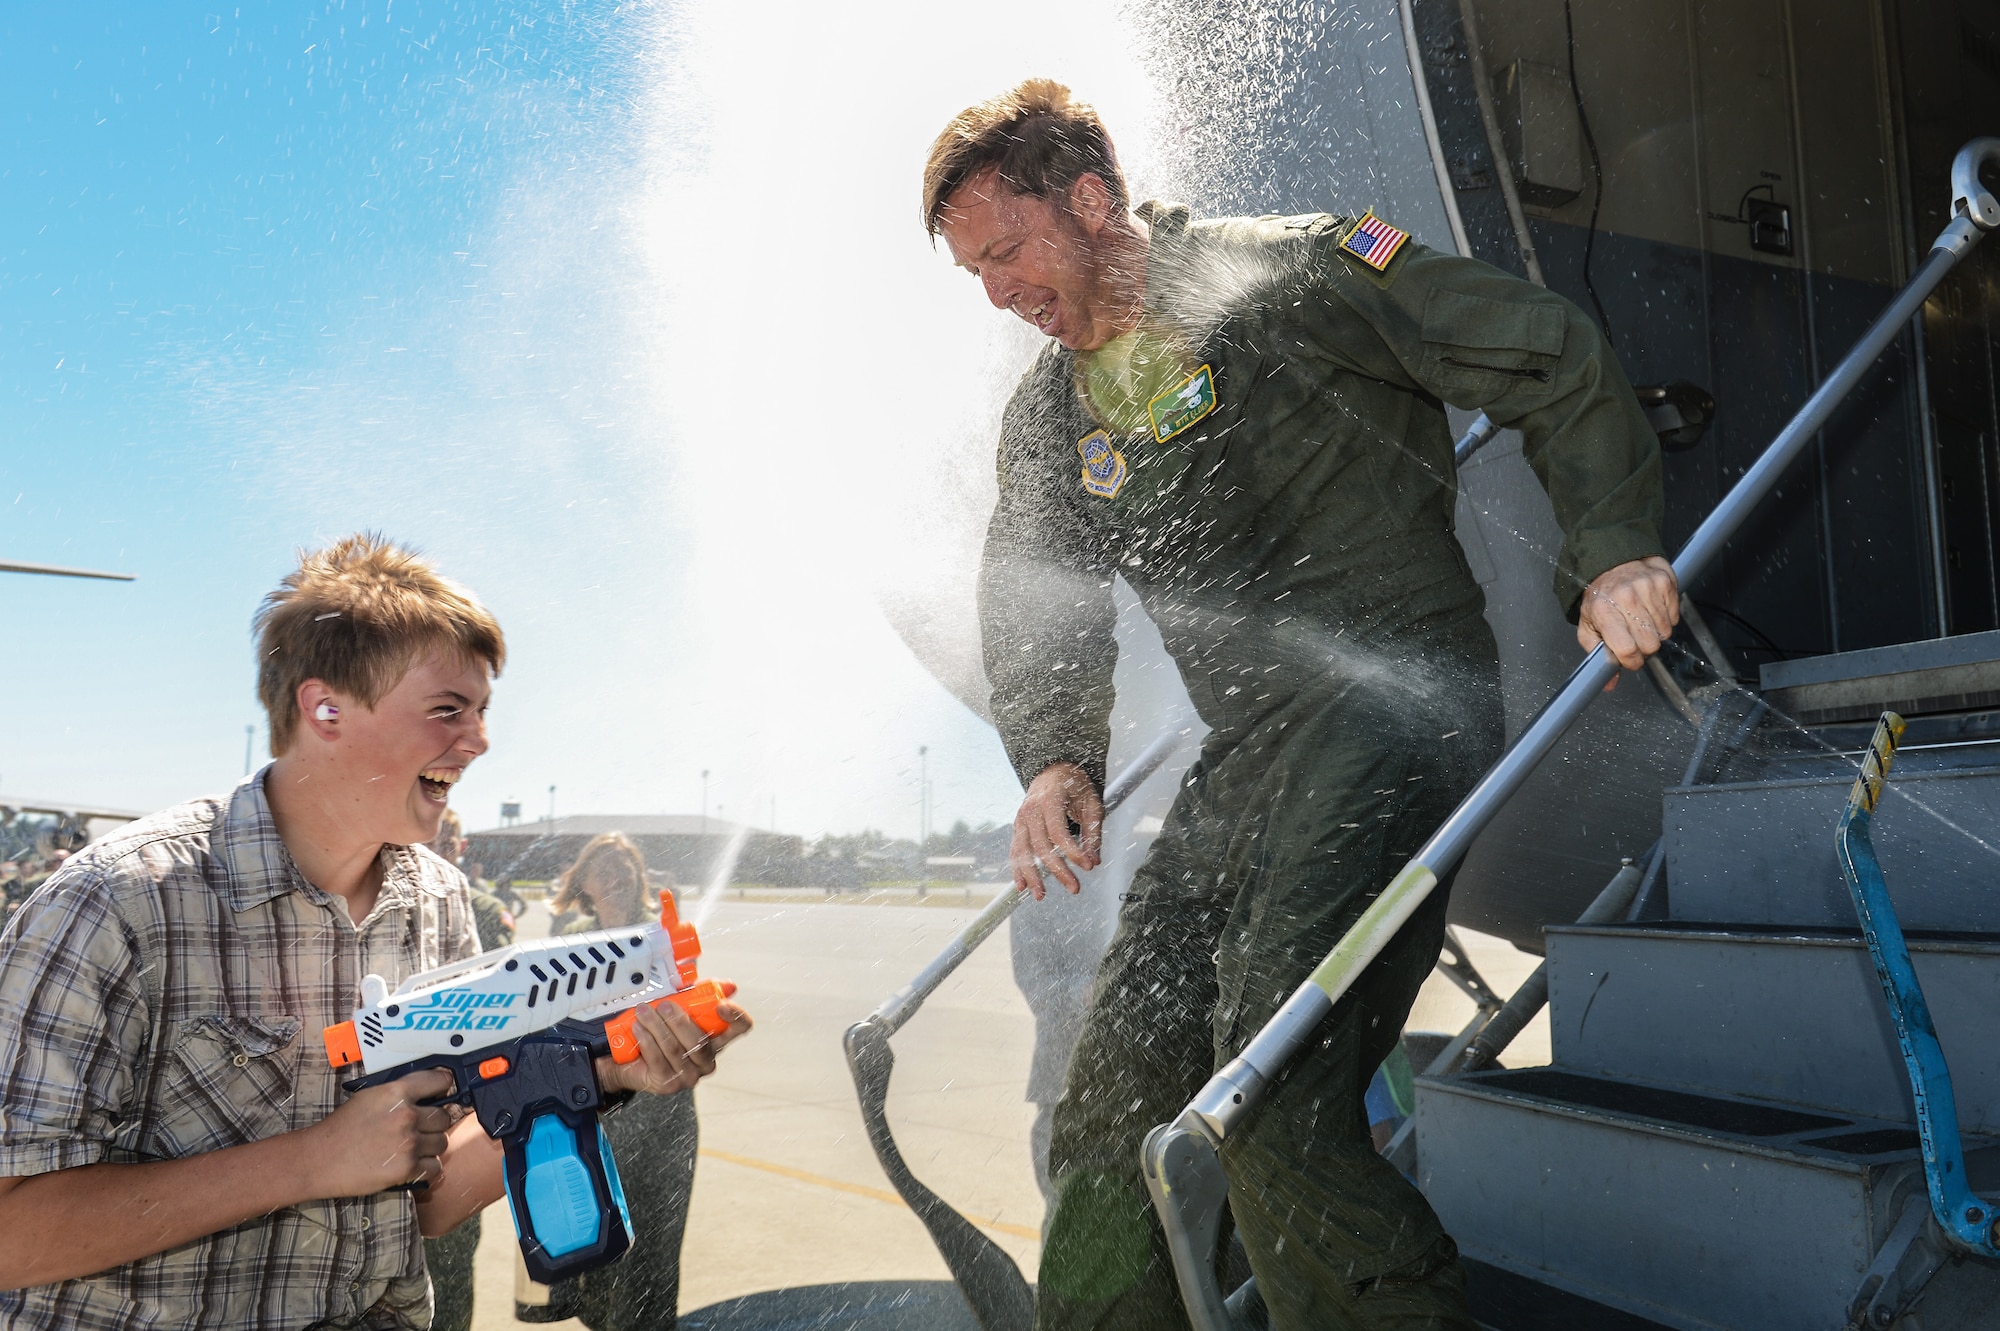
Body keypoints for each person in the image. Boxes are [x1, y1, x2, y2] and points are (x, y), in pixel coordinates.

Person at [925, 80, 1679, 1330]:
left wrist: (1608, 548)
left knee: (1267, 1094)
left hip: (1391, 707)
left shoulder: (1283, 270)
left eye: (1005, 251)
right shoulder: (1053, 415)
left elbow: (1535, 344)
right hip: (1251, 754)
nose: (997, 291)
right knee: (1111, 1101)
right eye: (974, 274)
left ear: (1090, 199)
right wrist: (1054, 757)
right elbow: (1031, 598)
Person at [0, 534, 751, 1330]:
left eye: (483, 710)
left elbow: (419, 1206)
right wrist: (313, 1160)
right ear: (324, 709)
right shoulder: (117, 903)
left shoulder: (440, 902)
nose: (479, 739)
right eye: (447, 709)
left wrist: (600, 1078)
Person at [517, 833, 699, 1330]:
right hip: (594, 1109)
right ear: (584, 885)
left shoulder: (662, 932)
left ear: (641, 877)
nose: (615, 877)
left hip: (662, 1116)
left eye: (624, 867)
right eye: (603, 870)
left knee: (656, 1242)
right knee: (595, 1237)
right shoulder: (570, 936)